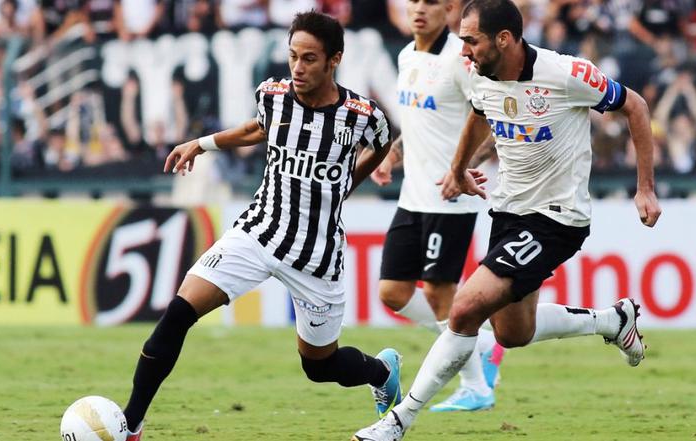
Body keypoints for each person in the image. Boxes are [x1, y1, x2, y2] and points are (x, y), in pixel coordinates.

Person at [353, 0, 662, 439]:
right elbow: (479, 116)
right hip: (508, 212)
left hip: (556, 218)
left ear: (503, 39)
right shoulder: (482, 74)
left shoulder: (566, 73)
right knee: (514, 333)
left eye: (471, 41)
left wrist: (645, 187)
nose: (464, 51)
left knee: (463, 310)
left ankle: (397, 421)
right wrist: (459, 169)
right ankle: (613, 321)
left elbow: (636, 107)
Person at [121, 11, 401, 441]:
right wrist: (201, 143)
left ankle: (382, 371)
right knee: (178, 313)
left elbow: (381, 146)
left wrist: (352, 180)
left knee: (319, 366)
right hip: (258, 232)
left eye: (310, 59)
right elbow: (259, 127)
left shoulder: (362, 115)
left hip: (316, 258)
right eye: (293, 56)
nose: (298, 68)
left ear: (334, 61)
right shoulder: (273, 94)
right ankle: (131, 423)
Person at [370, 0, 504, 413]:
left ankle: (476, 388)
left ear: (448, 10)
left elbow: (494, 119)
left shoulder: (459, 61)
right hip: (413, 196)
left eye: (431, 2)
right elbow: (416, 123)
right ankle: (480, 344)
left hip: (451, 200)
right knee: (392, 292)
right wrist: (392, 156)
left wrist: (461, 170)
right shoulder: (406, 55)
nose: (419, 9)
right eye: (414, 1)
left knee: (440, 297)